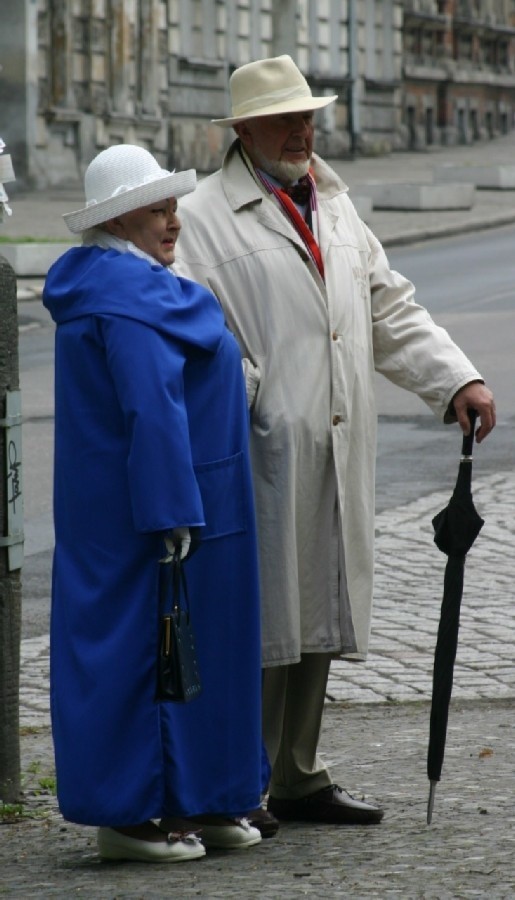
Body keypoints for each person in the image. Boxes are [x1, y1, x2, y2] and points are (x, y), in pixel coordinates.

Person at [173, 54, 496, 828]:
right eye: (285, 118)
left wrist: (453, 379)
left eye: (308, 115)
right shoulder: (204, 216)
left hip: (336, 437)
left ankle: (298, 772)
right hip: (258, 445)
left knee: (320, 603)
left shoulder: (334, 206)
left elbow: (388, 306)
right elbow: (193, 332)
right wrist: (257, 400)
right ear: (243, 130)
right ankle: (241, 779)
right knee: (262, 615)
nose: (302, 129)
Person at [43, 144, 265, 862]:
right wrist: (171, 513)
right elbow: (151, 411)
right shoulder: (125, 297)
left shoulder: (138, 284)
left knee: (203, 652)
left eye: (172, 206)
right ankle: (133, 815)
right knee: (144, 656)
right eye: (158, 208)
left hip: (197, 500)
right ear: (120, 218)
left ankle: (207, 795)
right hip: (152, 513)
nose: (174, 220)